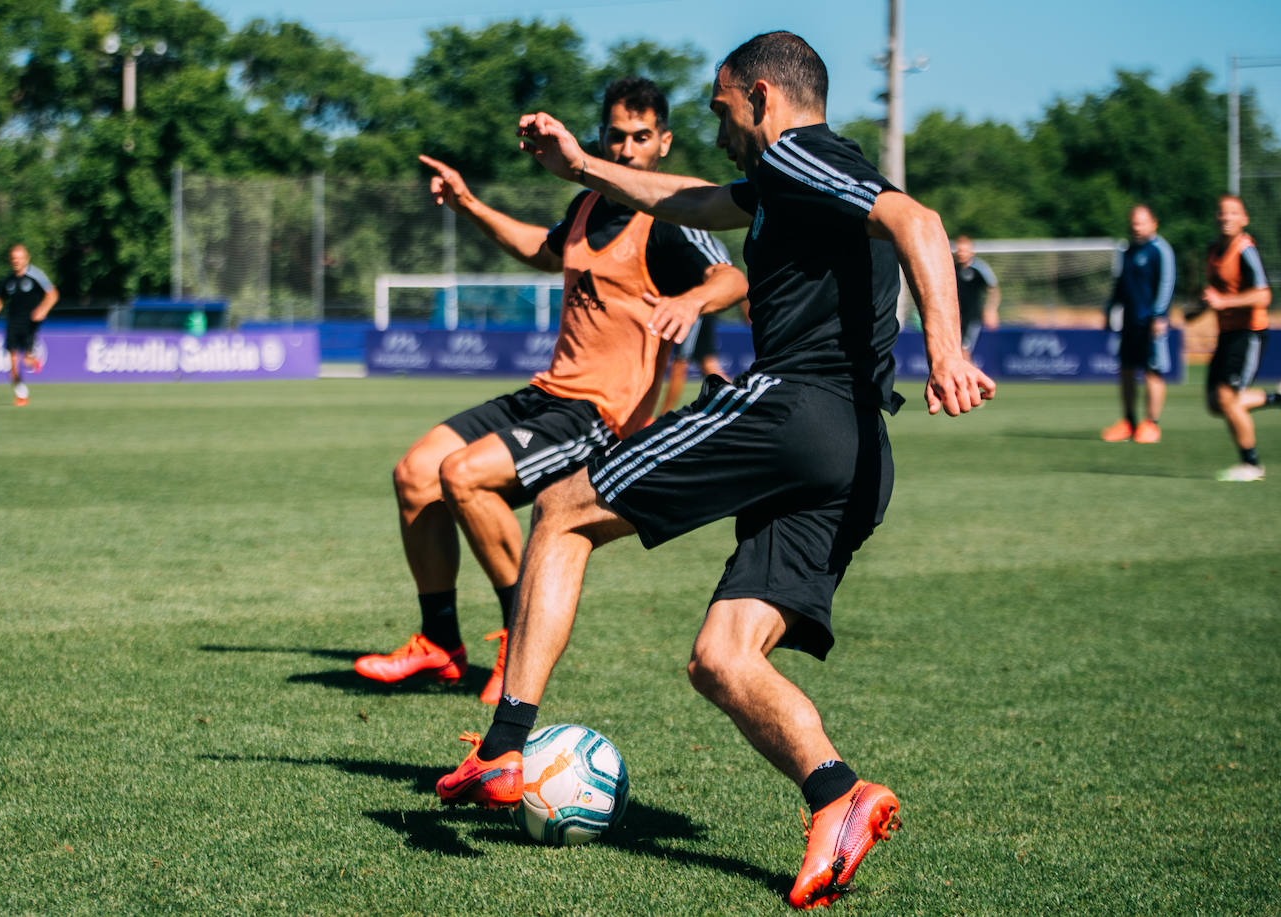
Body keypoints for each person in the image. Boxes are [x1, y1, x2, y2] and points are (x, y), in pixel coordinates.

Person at [435, 32, 994, 909]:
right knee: (722, 658)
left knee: (565, 505)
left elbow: (917, 221)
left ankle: (504, 746)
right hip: (857, 451)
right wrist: (580, 167)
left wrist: (949, 351)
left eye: (722, 107)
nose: (719, 125)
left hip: (794, 408)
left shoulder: (801, 155)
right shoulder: (788, 179)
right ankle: (839, 795)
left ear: (762, 98)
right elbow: (686, 197)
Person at [353, 77, 747, 704]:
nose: (626, 148)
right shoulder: (589, 205)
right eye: (615, 136)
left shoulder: (670, 214)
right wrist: (469, 204)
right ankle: (440, 645)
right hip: (548, 393)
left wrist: (694, 300)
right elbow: (544, 250)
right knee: (416, 473)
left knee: (464, 476)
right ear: (601, 138)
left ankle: (520, 641)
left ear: (664, 143)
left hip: (600, 414)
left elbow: (731, 278)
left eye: (641, 137)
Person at [1197, 194, 1281, 482]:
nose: (1226, 217)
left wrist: (1224, 301)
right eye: (1222, 212)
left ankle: (1251, 465)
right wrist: (1196, 310)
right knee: (1215, 403)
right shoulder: (1212, 251)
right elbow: (1217, 294)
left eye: (1233, 212)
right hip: (1227, 334)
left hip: (1249, 333)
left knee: (1227, 398)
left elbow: (1263, 295)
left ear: (1244, 219)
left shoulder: (1245, 250)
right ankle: (1280, 398)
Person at [1099, 205, 1176, 443]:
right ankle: (1129, 422)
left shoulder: (1160, 250)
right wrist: (1110, 309)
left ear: (1154, 223)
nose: (1136, 227)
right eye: (1133, 222)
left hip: (1150, 324)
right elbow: (1119, 284)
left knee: (1152, 371)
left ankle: (1152, 424)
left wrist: (1159, 315)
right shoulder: (1127, 250)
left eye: (1141, 222)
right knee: (1126, 370)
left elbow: (1167, 284)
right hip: (1129, 322)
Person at [0, 245, 57, 406]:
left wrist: (43, 309)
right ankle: (21, 394)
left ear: (26, 259)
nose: (16, 261)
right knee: (12, 363)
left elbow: (52, 294)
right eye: (14, 258)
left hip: (30, 323)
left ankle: (33, 359)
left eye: (19, 258)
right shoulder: (9, 280)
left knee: (26, 361)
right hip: (13, 323)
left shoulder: (35, 275)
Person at [656, 308, 738, 414]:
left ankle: (664, 414)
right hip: (703, 312)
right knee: (708, 365)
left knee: (679, 366)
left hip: (694, 315)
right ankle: (741, 399)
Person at [952, 235, 999, 364]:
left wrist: (991, 310)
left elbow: (993, 289)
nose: (961, 253)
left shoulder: (979, 268)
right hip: (955, 317)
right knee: (956, 351)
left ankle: (970, 376)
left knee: (963, 349)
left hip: (972, 317)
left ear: (971, 252)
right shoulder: (952, 268)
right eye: (959, 250)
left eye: (964, 250)